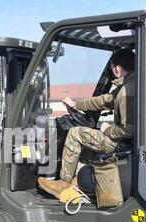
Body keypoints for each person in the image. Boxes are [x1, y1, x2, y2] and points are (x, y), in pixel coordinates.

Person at [38, 49, 135, 199]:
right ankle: (77, 182)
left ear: (118, 69)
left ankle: (63, 183)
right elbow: (103, 100)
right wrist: (76, 105)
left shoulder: (126, 92)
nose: (112, 71)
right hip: (125, 140)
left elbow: (127, 130)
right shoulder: (130, 84)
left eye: (112, 68)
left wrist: (108, 129)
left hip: (121, 141)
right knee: (89, 136)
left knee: (75, 134)